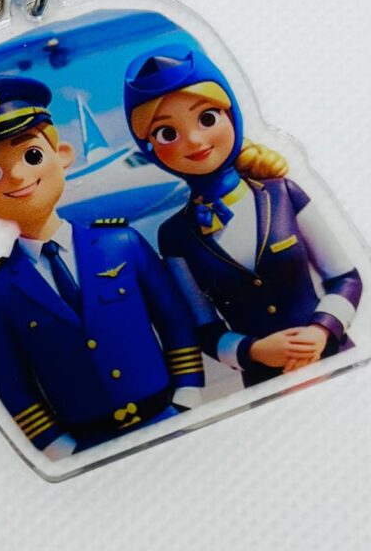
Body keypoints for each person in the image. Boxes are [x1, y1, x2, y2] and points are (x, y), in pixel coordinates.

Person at [0, 74, 204, 459]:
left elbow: (175, 322)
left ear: (63, 155)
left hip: (167, 418)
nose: (18, 176)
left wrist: (188, 395)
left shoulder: (121, 244)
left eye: (32, 156)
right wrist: (59, 449)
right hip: (87, 447)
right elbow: (10, 383)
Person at [124, 43, 363, 387]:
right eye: (167, 133)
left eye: (207, 118)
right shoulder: (175, 235)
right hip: (266, 386)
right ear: (149, 148)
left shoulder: (284, 194)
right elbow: (204, 327)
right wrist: (253, 351)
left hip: (338, 362)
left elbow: (346, 278)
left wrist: (322, 328)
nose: (194, 140)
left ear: (231, 115)